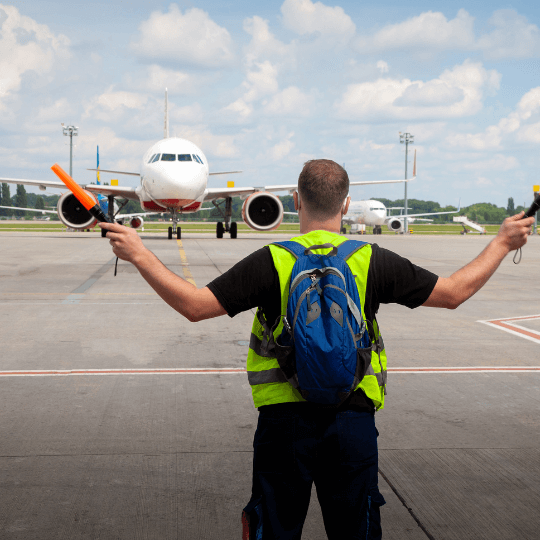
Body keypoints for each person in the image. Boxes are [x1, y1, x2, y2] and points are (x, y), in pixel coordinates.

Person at [100, 160, 534, 539]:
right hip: (352, 421)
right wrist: (500, 242)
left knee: (275, 527)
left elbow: (195, 306)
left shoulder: (273, 259)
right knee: (355, 529)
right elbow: (454, 293)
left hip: (283, 423)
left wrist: (140, 254)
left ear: (295, 200)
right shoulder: (371, 259)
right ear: (346, 205)